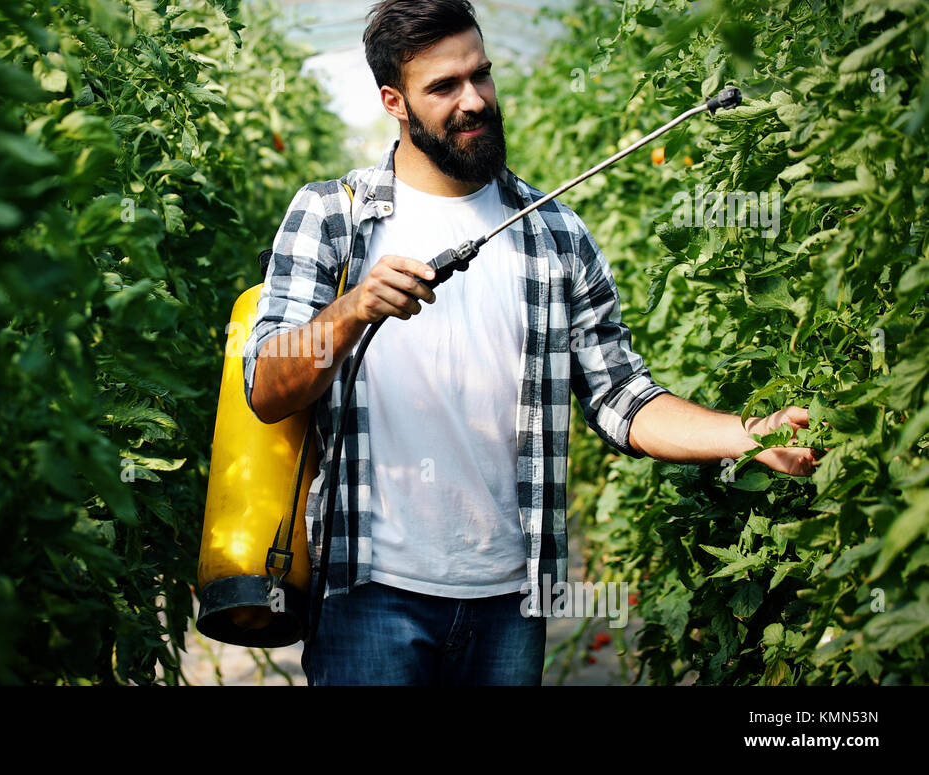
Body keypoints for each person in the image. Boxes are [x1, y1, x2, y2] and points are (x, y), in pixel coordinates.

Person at [241, 0, 820, 686]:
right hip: (370, 595)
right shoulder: (333, 216)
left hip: (511, 601)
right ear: (394, 101)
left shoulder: (553, 232)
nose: (475, 100)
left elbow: (622, 396)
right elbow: (267, 388)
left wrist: (747, 435)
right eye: (445, 87)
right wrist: (352, 309)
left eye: (481, 75)